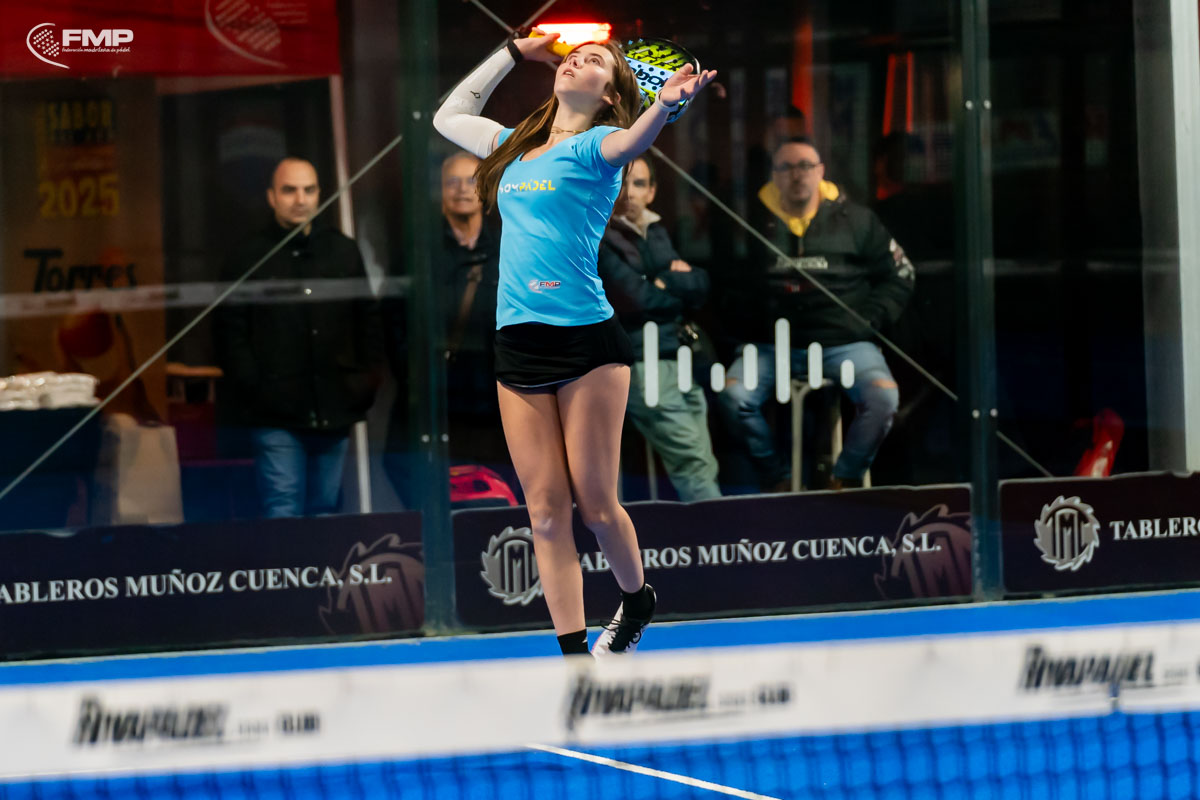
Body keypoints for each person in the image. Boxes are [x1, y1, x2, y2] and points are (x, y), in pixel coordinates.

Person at [433, 32, 715, 657]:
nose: (576, 62)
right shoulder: (512, 145)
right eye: (574, 56)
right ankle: (573, 660)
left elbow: (634, 140)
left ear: (609, 93)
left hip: (588, 346)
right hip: (517, 345)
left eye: (595, 61)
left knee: (596, 505)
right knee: (544, 513)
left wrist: (663, 105)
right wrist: (512, 52)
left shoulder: (599, 146)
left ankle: (636, 599)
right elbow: (448, 116)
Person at [718, 136, 913, 491]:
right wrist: (750, 322)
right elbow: (728, 283)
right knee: (733, 397)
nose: (797, 175)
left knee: (883, 399)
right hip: (769, 346)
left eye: (806, 166)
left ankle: (846, 477)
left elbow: (901, 275)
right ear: (774, 175)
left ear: (821, 171)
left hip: (845, 342)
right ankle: (777, 478)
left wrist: (868, 319)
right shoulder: (748, 223)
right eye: (787, 167)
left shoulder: (857, 220)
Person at [215, 157, 382, 518]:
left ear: (319, 194)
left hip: (334, 406)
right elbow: (230, 330)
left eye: (309, 190)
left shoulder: (342, 250)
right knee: (282, 509)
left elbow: (368, 320)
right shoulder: (249, 256)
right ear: (272, 197)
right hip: (274, 410)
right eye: (289, 190)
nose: (300, 199)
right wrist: (253, 386)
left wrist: (362, 383)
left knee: (325, 511)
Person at [597, 155, 721, 502]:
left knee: (702, 459)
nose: (629, 193)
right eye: (621, 182)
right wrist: (671, 286)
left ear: (651, 192)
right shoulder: (598, 237)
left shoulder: (657, 231)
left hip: (680, 356)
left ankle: (712, 528)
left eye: (639, 183)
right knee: (693, 459)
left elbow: (701, 284)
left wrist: (663, 284)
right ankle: (720, 529)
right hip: (641, 360)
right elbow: (635, 299)